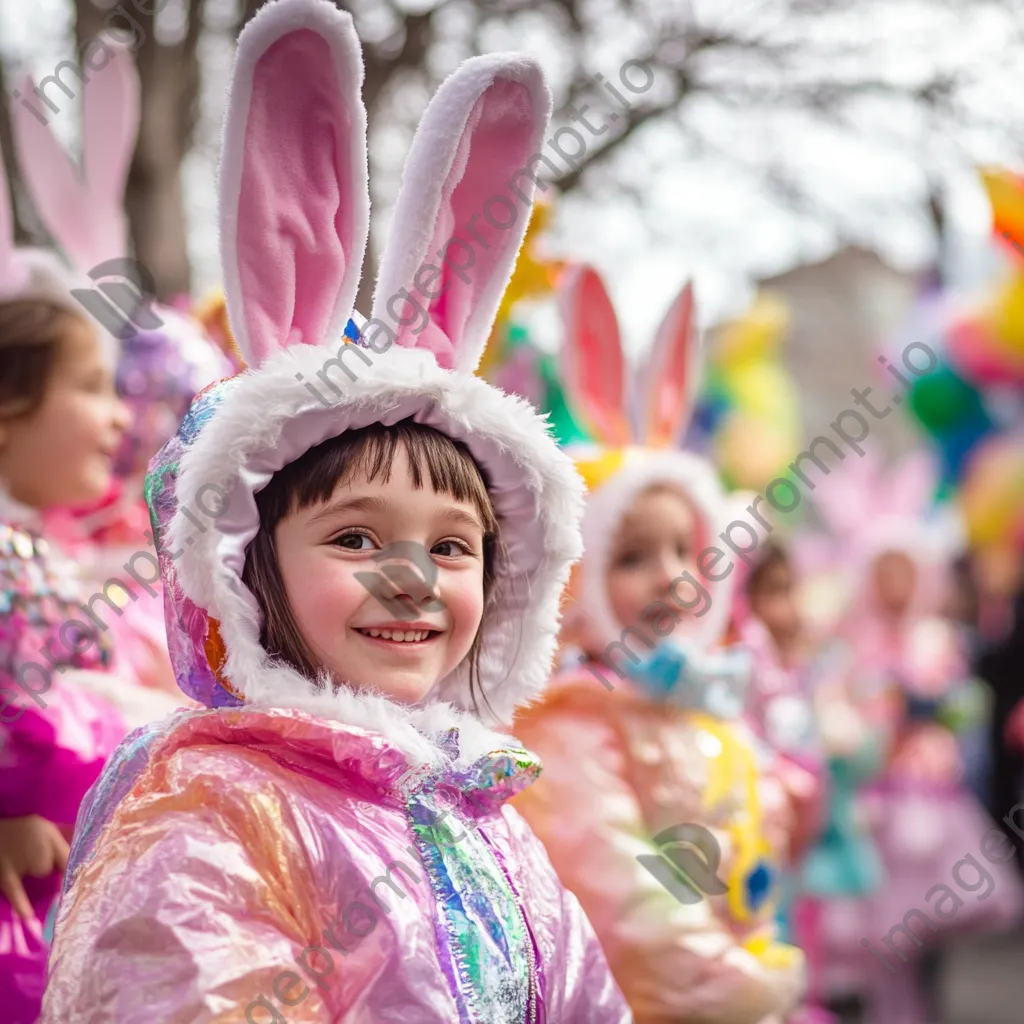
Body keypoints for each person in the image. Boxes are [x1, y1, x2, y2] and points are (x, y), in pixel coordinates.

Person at [42, 3, 629, 1020]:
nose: (412, 577)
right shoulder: (213, 814)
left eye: (453, 545)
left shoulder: (484, 811)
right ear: (242, 567)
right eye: (356, 537)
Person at [511, 264, 804, 1024]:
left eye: (687, 550)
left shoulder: (695, 700)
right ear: (573, 579)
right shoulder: (566, 722)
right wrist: (741, 987)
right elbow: (626, 899)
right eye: (633, 556)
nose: (672, 577)